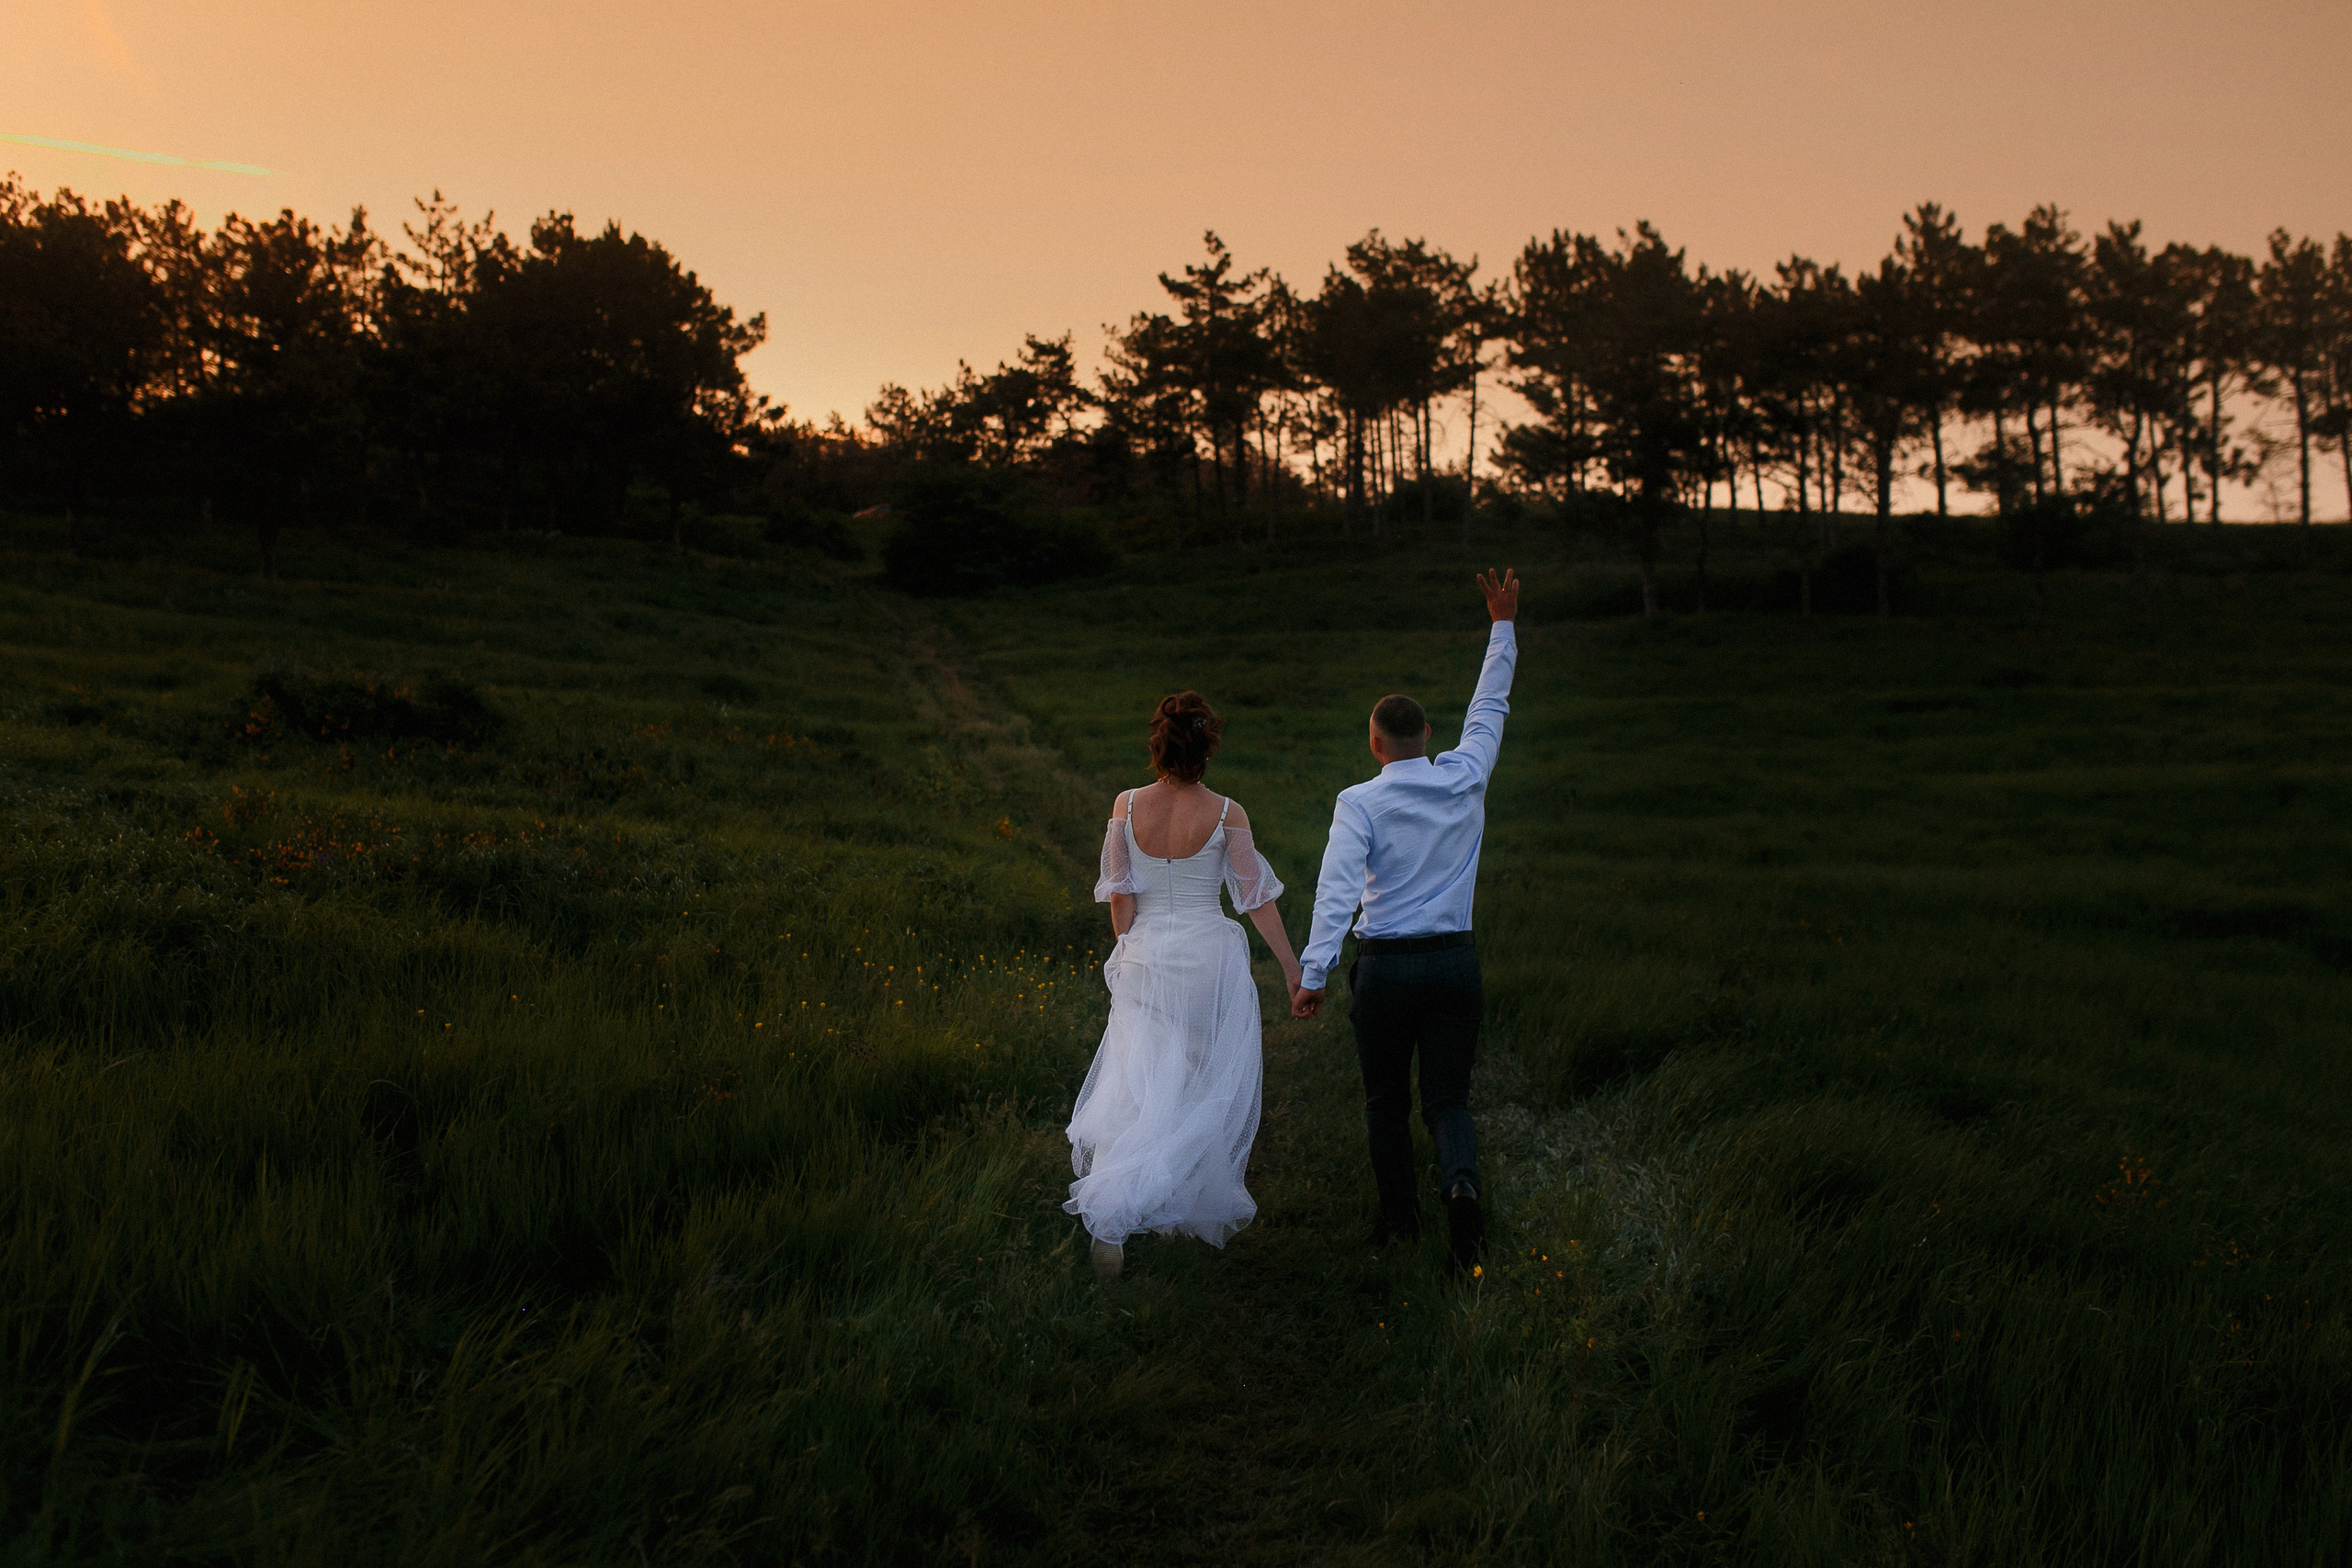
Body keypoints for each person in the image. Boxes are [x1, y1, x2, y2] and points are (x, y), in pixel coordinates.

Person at [1292, 569, 1521, 1273]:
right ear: (1427, 734)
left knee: (1385, 1102)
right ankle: (1459, 1184)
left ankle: (1398, 1226)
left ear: (1376, 746)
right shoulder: (1466, 772)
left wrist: (1313, 971)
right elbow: (1490, 706)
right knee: (1448, 1097)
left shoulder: (1358, 801)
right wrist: (1502, 622)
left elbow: (1336, 890)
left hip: (1387, 969)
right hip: (1455, 961)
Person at [1066, 692, 1302, 1281]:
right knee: (1195, 1082)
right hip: (1207, 961)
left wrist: (1128, 950)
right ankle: (1175, 1201)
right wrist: (1293, 970)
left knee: (1136, 1078)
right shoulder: (1228, 813)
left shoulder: (1125, 805)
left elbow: (1120, 896)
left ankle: (1113, 1217)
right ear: (1207, 747)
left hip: (1146, 956)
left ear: (1158, 745)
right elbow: (1255, 898)